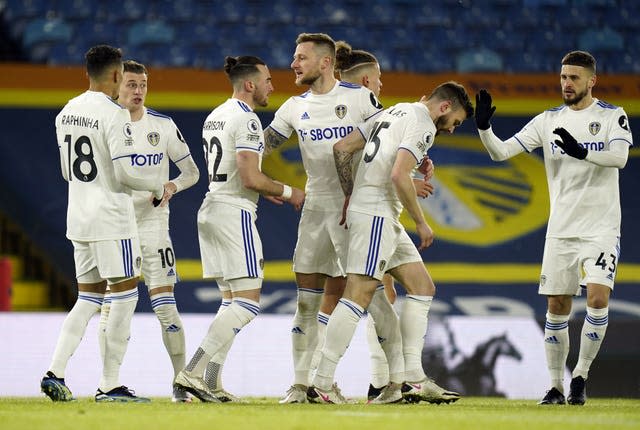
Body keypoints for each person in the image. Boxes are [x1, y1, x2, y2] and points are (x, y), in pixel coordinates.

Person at [474, 50, 632, 406]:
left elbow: (620, 158)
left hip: (601, 227)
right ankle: (555, 386)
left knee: (597, 297)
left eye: (574, 78)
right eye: (563, 77)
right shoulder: (547, 121)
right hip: (561, 229)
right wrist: (484, 129)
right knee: (557, 305)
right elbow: (500, 152)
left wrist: (583, 152)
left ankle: (580, 376)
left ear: (592, 80)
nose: (566, 84)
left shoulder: (611, 116)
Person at [310, 81, 473, 404]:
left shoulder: (395, 110)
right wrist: (422, 222)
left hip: (380, 213)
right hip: (377, 215)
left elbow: (343, 148)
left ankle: (412, 379)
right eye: (455, 122)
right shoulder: (423, 122)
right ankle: (322, 382)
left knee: (422, 286)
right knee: (358, 293)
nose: (452, 130)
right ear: (444, 107)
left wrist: (350, 193)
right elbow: (399, 175)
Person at [309, 40, 436, 401]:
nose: (381, 85)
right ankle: (366, 379)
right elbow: (377, 167)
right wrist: (409, 175)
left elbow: (367, 156)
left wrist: (414, 161)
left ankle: (393, 380)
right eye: (378, 79)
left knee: (369, 296)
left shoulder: (327, 104)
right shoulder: (370, 106)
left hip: (336, 210)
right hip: (360, 211)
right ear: (366, 81)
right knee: (364, 295)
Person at [173, 55, 304, 403]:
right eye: (267, 80)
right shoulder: (246, 120)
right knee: (247, 304)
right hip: (234, 212)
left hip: (213, 207)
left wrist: (262, 188)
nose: (272, 86)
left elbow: (243, 175)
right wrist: (291, 192)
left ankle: (212, 382)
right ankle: (192, 373)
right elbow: (250, 177)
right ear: (250, 84)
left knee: (230, 301)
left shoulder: (216, 114)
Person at [41, 45, 168, 403]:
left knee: (87, 298)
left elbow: (68, 171)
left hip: (78, 217)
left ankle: (55, 371)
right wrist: (156, 184)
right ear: (116, 76)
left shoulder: (66, 111)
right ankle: (109, 384)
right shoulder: (115, 115)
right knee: (125, 298)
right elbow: (125, 173)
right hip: (112, 219)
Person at [263, 33, 384, 404]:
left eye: (300, 58)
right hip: (315, 207)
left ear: (325, 62)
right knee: (306, 302)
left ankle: (385, 378)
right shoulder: (292, 108)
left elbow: (391, 138)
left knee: (370, 298)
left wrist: (416, 167)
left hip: (354, 210)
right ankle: (302, 385)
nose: (293, 64)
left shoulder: (359, 99)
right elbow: (260, 147)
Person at [97, 60, 200, 403]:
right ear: (118, 86)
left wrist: (171, 186)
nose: (138, 91)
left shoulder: (163, 126)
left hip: (154, 223)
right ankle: (108, 382)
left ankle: (180, 383)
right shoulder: (105, 124)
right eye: (131, 84)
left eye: (143, 85)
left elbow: (192, 172)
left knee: (166, 305)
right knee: (113, 306)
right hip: (116, 223)